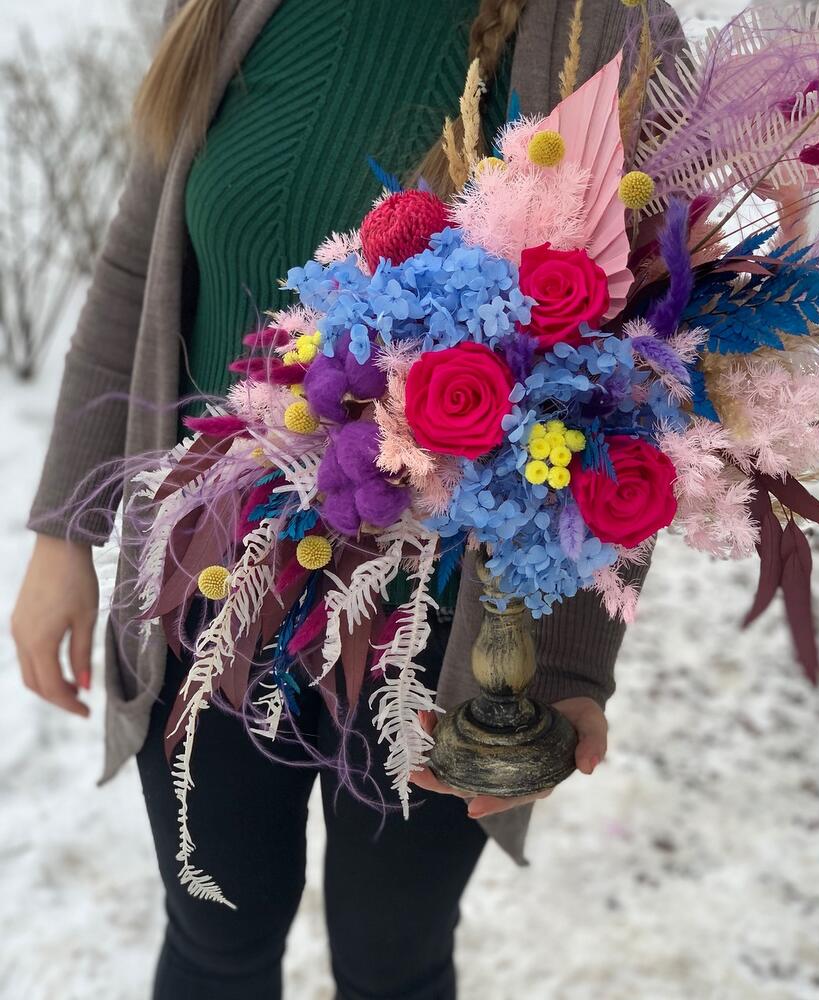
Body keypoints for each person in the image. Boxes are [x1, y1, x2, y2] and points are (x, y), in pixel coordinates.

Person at [11, 1, 684, 997]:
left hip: (446, 629)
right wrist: (65, 531)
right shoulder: (232, 12)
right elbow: (137, 268)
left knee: (391, 963)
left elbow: (642, 372)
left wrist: (566, 661)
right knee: (214, 941)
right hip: (210, 589)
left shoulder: (599, 24)